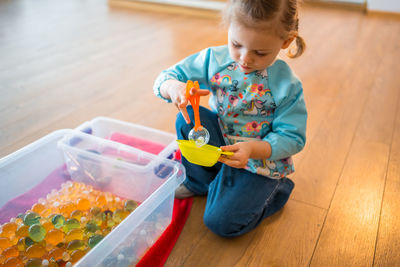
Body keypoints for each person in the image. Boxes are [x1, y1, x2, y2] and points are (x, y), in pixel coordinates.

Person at [153, 0, 307, 237]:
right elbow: (167, 76)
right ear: (229, 27)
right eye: (237, 44)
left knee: (220, 222)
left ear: (285, 41)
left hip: (259, 160)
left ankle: (276, 189)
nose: (245, 59)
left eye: (260, 52)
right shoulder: (215, 59)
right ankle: (199, 182)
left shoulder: (287, 85)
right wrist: (173, 87)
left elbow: (292, 137)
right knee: (186, 121)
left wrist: (253, 149)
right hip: (221, 143)